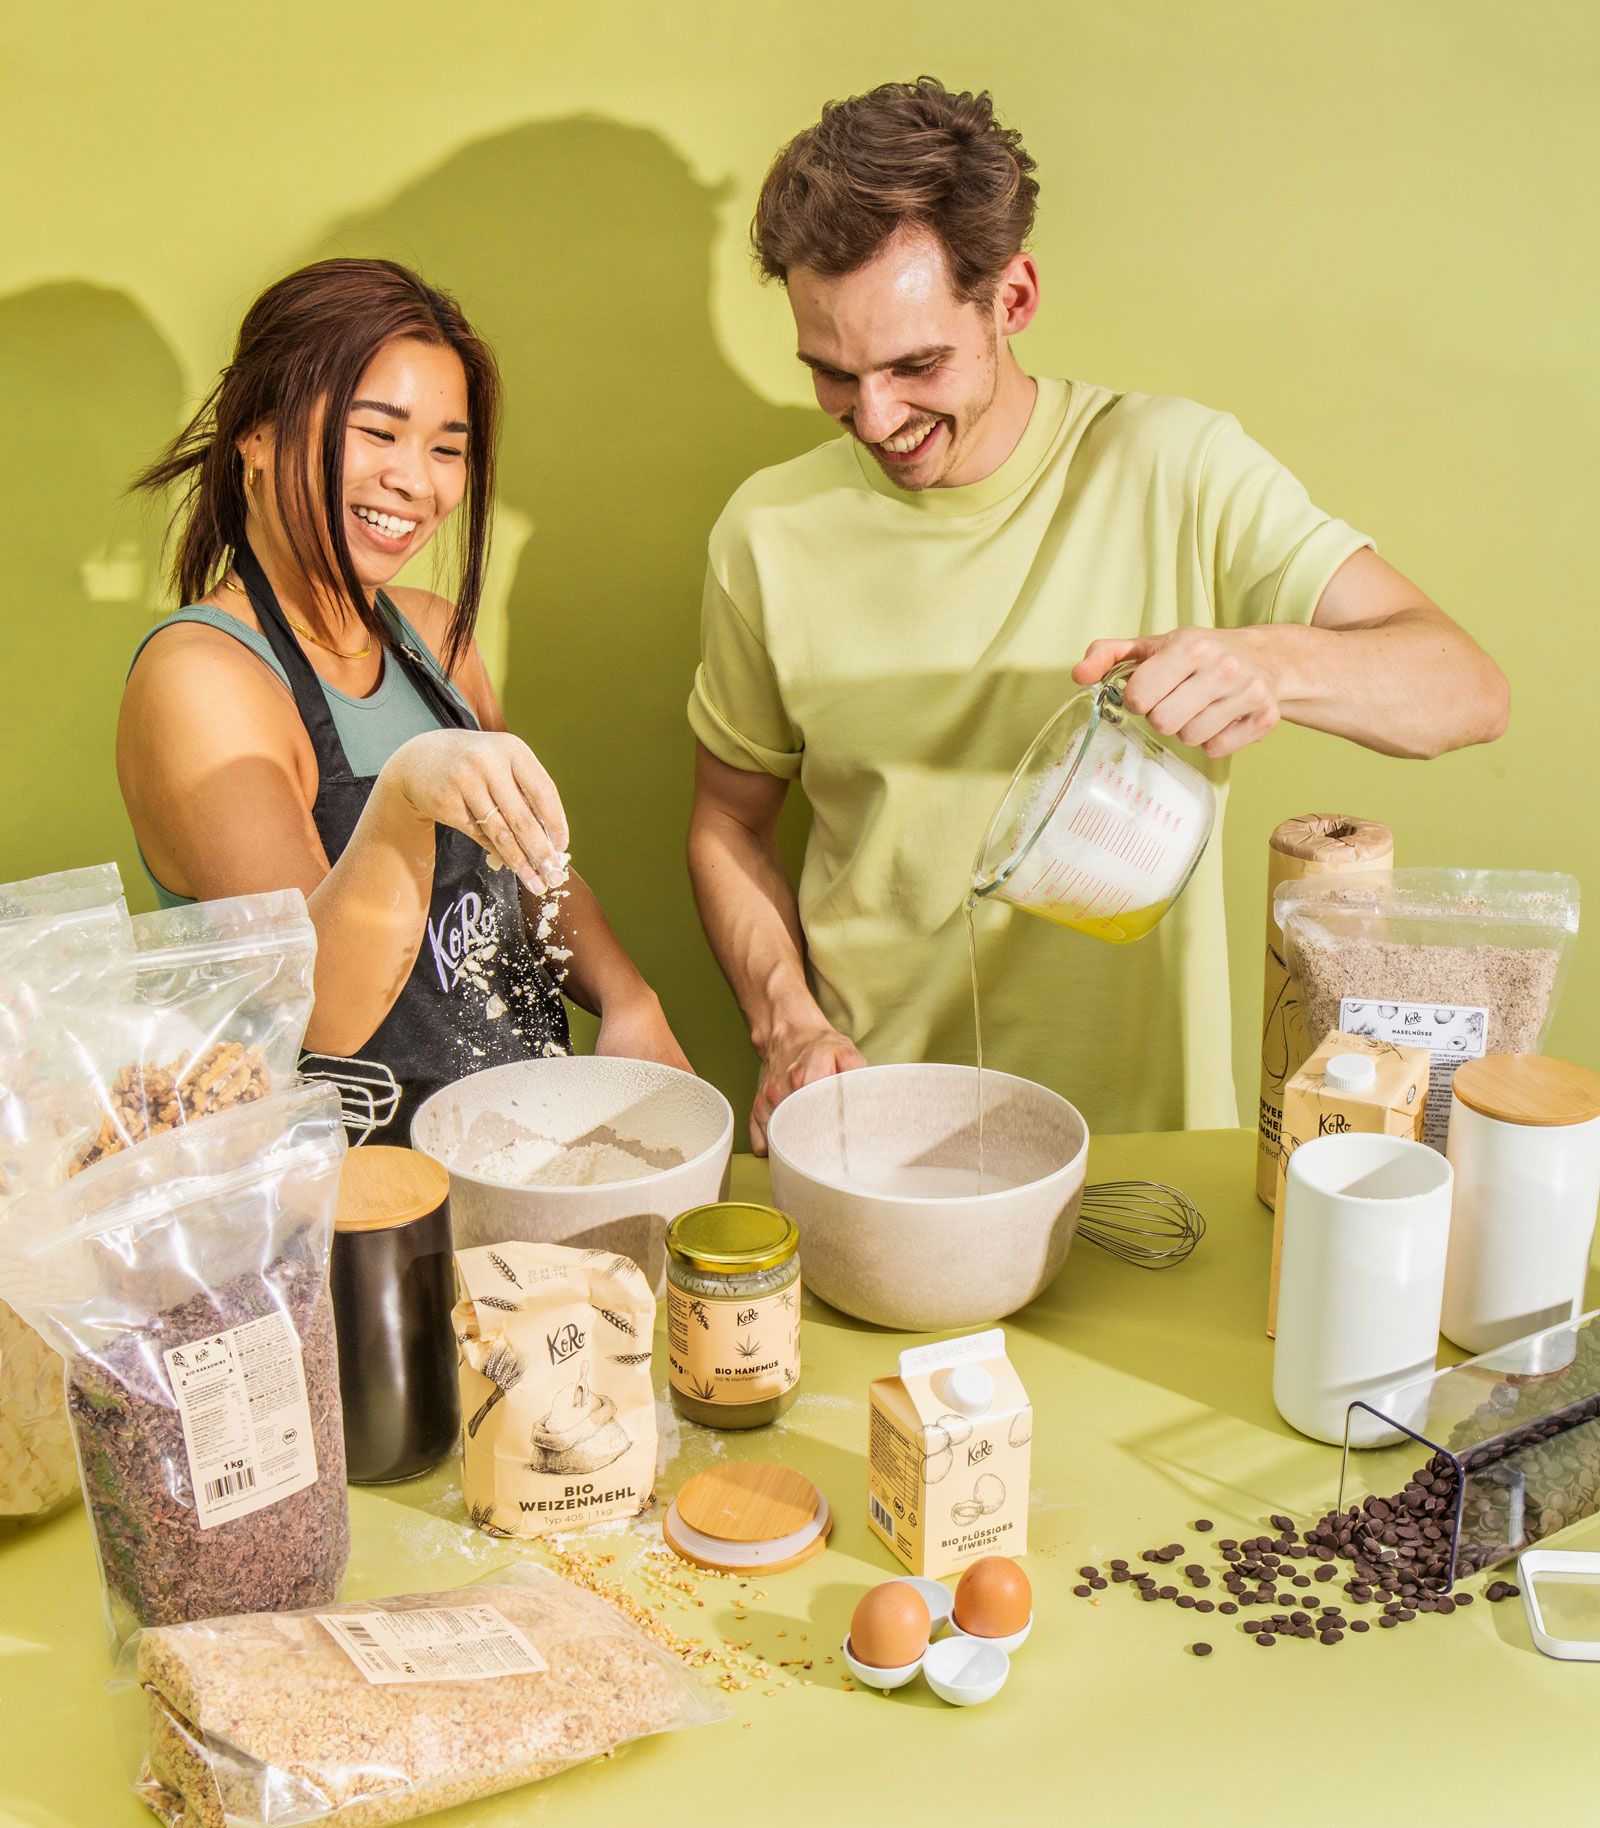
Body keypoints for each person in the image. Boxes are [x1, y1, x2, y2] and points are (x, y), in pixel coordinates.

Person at [687, 79, 1508, 1149]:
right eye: (832, 375)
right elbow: (726, 821)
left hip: (1148, 1151)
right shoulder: (768, 531)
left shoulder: (1175, 466)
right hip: (873, 1131)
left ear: (1012, 298)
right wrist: (786, 1024)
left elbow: (1466, 689)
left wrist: (1269, 663)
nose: (875, 418)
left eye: (915, 364)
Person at [122, 257, 687, 1139]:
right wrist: (408, 788)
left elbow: (531, 869)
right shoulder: (203, 678)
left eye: (446, 449)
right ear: (258, 436)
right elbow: (322, 1014)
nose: (414, 481)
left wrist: (628, 998)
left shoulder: (436, 638)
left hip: (516, 1142)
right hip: (343, 1200)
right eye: (376, 432)